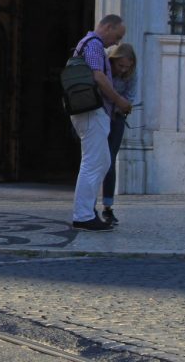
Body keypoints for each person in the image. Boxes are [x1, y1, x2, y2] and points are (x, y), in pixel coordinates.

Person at [69, 14, 132, 232]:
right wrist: (119, 100)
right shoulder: (94, 45)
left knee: (102, 161)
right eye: (118, 35)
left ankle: (87, 210)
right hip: (91, 112)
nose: (117, 42)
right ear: (107, 26)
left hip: (92, 112)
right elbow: (98, 76)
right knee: (93, 163)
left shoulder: (90, 44)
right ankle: (84, 215)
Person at [101, 43, 137, 226]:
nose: (123, 70)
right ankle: (87, 205)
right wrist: (117, 101)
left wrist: (121, 106)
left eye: (127, 67)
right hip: (100, 116)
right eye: (120, 66)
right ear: (113, 61)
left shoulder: (130, 74)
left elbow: (130, 96)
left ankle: (108, 207)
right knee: (95, 161)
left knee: (110, 160)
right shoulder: (103, 63)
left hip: (117, 117)